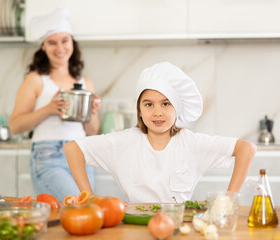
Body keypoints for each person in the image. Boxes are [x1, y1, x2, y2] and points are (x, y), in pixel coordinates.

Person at [64, 62, 256, 203]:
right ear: (139, 110)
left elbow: (246, 149)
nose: (157, 112)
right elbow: (73, 148)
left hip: (177, 226)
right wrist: (88, 195)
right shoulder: (124, 142)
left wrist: (229, 199)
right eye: (148, 104)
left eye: (165, 103)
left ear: (177, 109)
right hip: (132, 227)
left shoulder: (191, 143)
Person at [9, 7, 100, 202]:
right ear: (43, 46)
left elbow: (92, 131)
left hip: (82, 153)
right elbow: (15, 126)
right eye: (52, 42)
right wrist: (49, 109)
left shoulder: (85, 82)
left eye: (64, 41)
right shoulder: (35, 80)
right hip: (48, 156)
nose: (60, 48)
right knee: (79, 206)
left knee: (88, 210)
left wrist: (91, 112)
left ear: (72, 43)